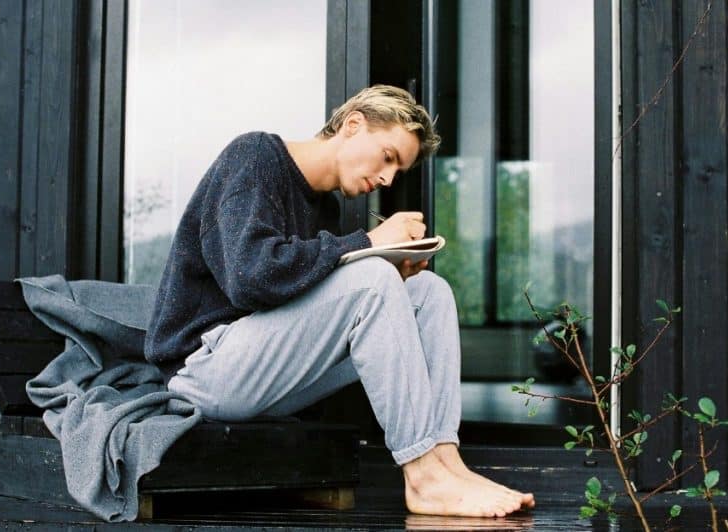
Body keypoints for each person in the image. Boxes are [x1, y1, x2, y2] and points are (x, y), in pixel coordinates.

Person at [144, 85, 535, 517]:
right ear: (353, 125)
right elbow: (248, 277)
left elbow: (299, 300)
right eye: (388, 157)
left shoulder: (323, 209)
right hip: (203, 370)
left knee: (428, 293)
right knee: (371, 279)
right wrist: (367, 244)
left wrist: (388, 265)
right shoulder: (254, 157)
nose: (387, 179)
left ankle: (445, 461)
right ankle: (422, 478)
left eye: (397, 171)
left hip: (263, 370)